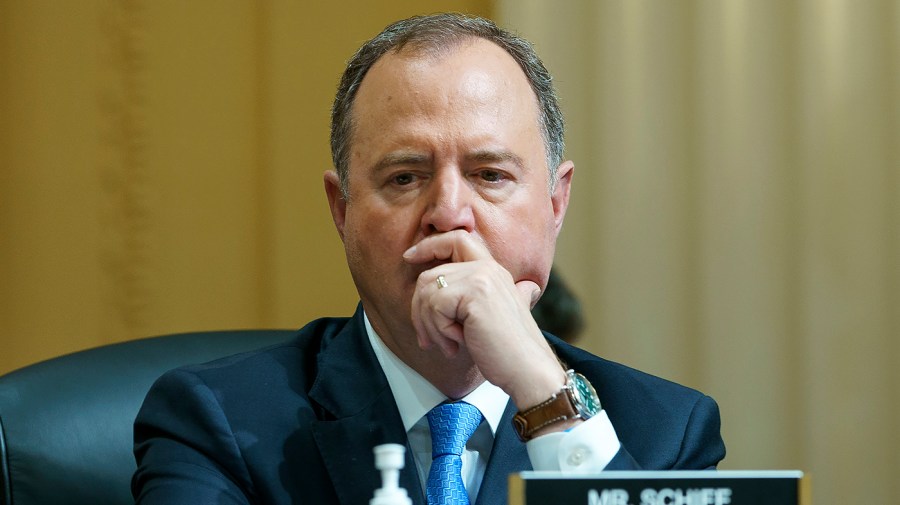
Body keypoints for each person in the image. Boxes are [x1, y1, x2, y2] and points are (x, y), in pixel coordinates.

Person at [132, 13, 725, 505]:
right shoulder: (219, 423)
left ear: (555, 203)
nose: (447, 213)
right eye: (405, 176)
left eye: (489, 175)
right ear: (342, 210)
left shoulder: (664, 433)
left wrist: (546, 399)